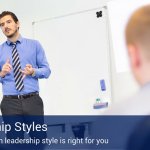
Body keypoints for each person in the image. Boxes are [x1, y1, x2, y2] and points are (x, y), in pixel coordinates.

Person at [0, 11, 50, 147]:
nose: (5, 26)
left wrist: (33, 71)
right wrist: (2, 73)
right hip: (10, 103)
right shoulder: (0, 51)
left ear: (17, 23)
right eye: (2, 24)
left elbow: (47, 71)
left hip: (32, 101)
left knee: (39, 142)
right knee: (15, 144)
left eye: (9, 22)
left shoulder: (34, 45)